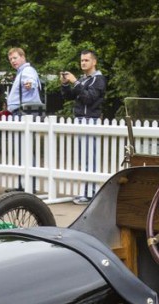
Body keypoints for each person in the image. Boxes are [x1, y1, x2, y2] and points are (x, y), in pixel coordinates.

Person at [60, 48, 107, 204]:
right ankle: (85, 191)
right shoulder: (83, 79)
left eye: (86, 60)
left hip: (90, 120)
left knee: (90, 157)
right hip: (80, 120)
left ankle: (91, 193)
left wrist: (75, 82)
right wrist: (65, 84)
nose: (83, 63)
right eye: (81, 60)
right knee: (83, 157)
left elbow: (88, 99)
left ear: (94, 61)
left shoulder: (98, 79)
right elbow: (69, 97)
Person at [6, 47, 43, 116]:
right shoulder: (21, 72)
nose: (12, 61)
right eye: (10, 59)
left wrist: (30, 84)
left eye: (15, 58)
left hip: (24, 112)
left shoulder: (27, 70)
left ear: (23, 57)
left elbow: (30, 80)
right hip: (23, 111)